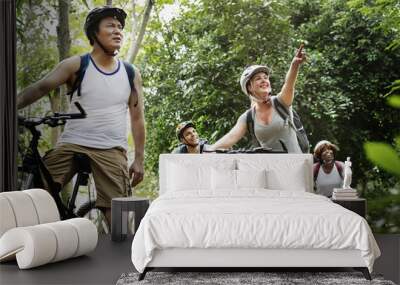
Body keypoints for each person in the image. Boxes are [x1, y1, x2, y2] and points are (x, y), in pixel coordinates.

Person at [16, 6, 145, 225]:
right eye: (111, 26)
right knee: (35, 193)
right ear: (95, 33)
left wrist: (139, 159)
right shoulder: (76, 65)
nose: (118, 31)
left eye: (120, 27)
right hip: (72, 144)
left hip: (111, 148)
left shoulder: (130, 73)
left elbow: (137, 118)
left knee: (120, 219)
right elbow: (39, 88)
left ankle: (120, 255)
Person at [209, 44, 307, 152]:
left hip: (296, 165)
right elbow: (231, 137)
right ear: (249, 87)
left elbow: (289, 85)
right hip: (271, 168)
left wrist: (294, 65)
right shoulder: (248, 117)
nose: (264, 80)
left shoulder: (280, 102)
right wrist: (209, 150)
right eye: (258, 79)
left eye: (266, 78)